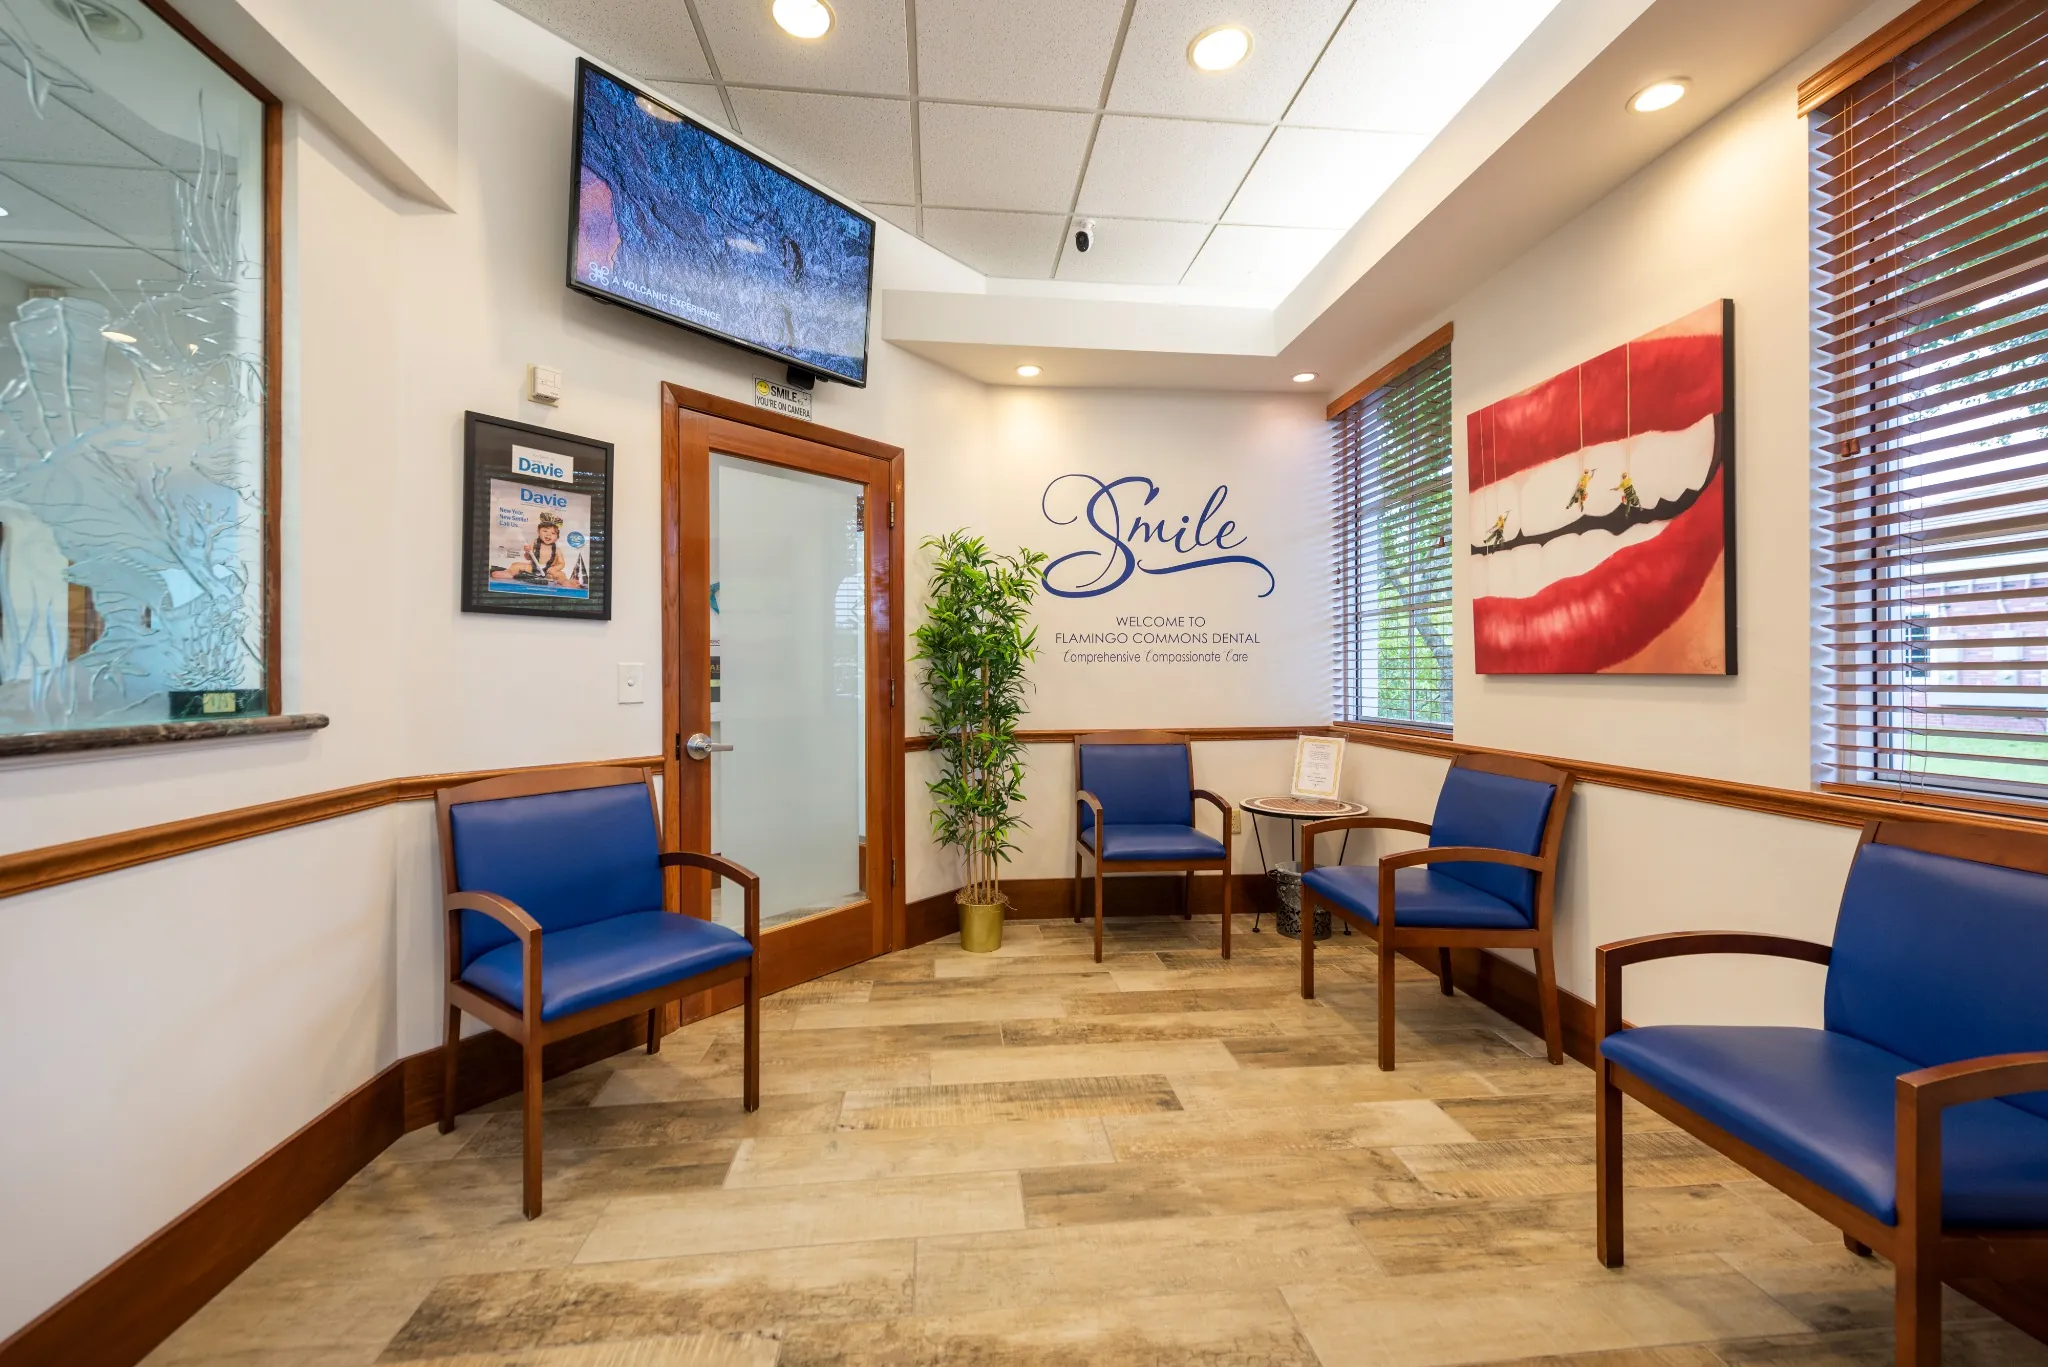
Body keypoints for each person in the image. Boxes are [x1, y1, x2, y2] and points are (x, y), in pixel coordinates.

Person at [511, 513, 576, 586]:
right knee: (515, 565)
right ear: (538, 532)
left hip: (549, 572)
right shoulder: (534, 544)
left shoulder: (557, 550)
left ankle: (564, 582)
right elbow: (528, 558)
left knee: (561, 574)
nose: (548, 535)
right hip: (533, 568)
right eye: (545, 531)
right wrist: (528, 552)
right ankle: (509, 574)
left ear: (557, 537)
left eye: (553, 533)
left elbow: (561, 563)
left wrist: (555, 568)